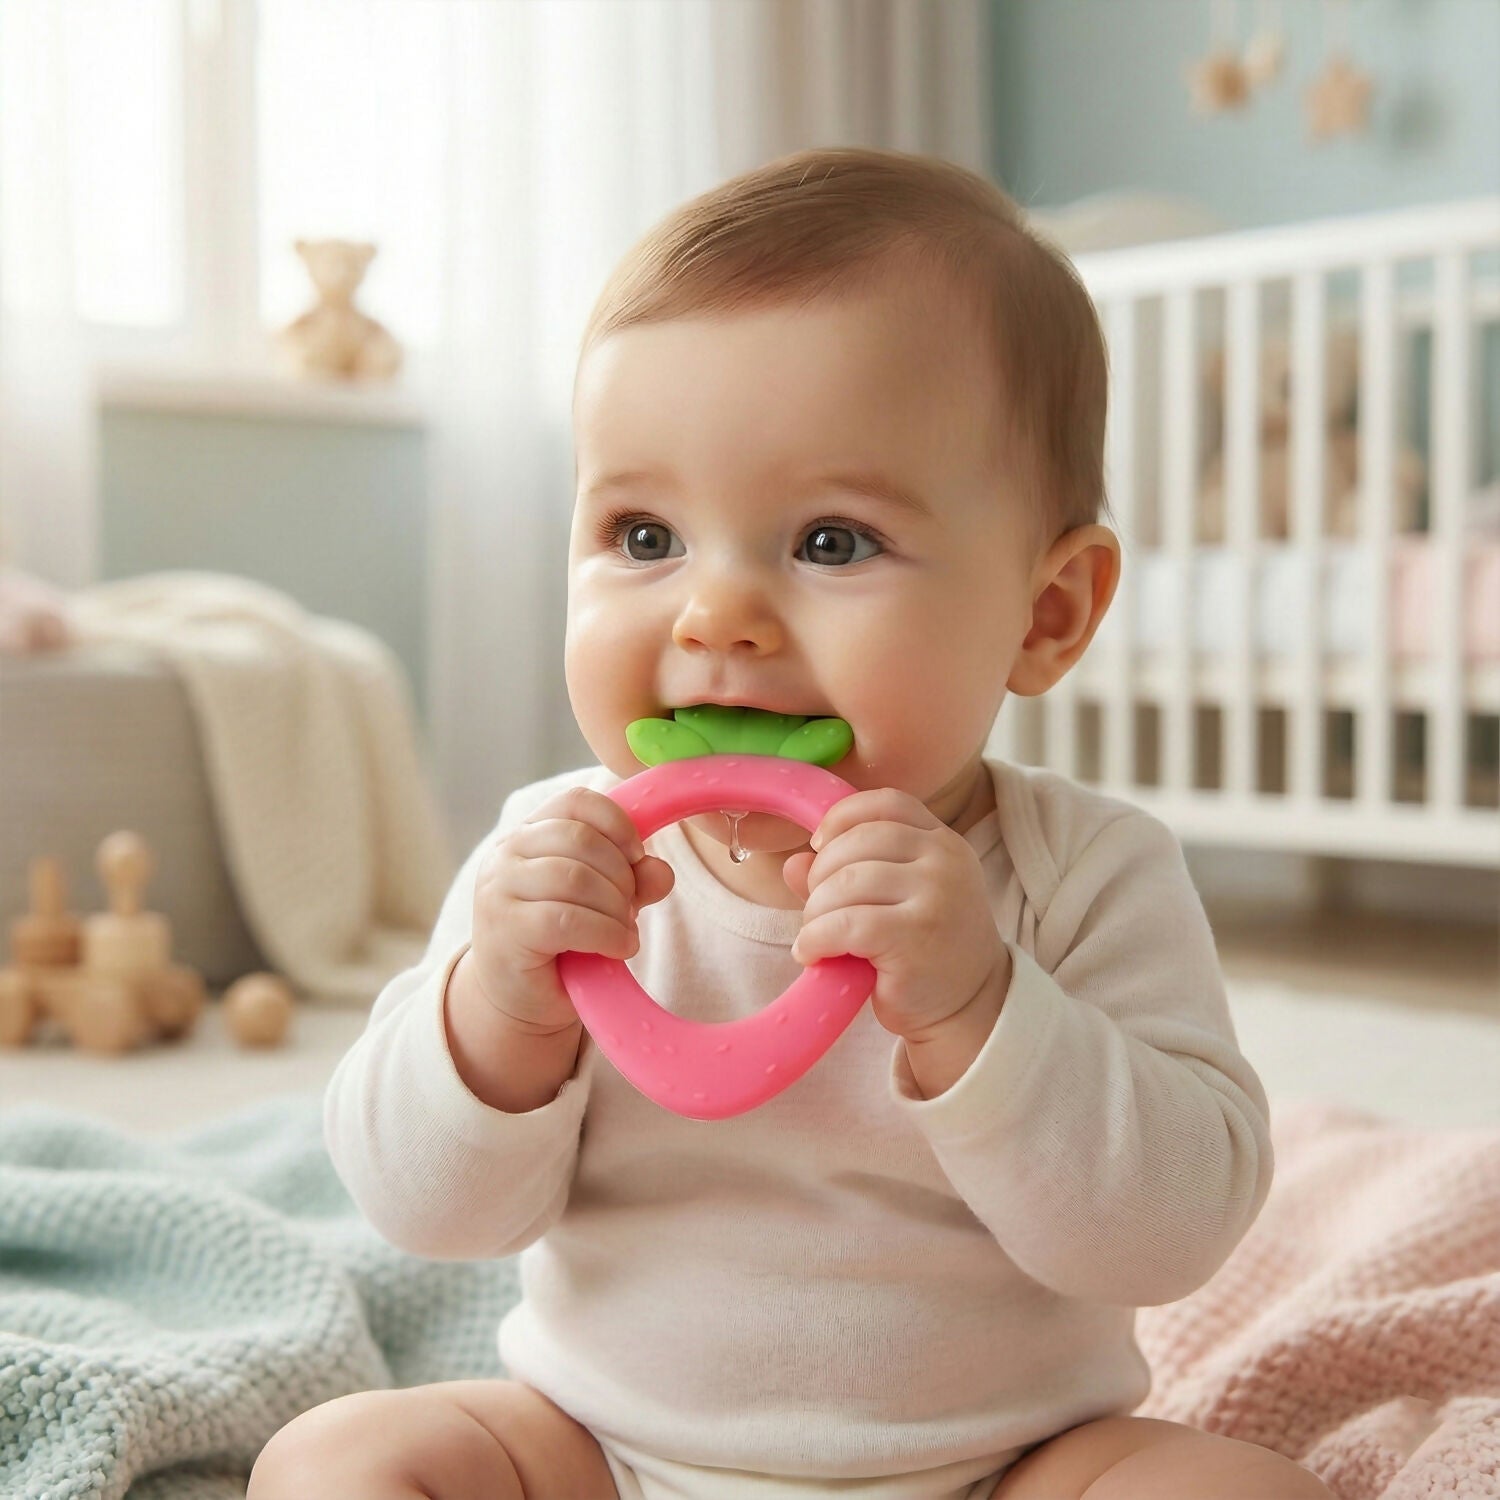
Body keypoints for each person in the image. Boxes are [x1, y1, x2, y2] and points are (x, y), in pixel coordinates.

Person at [249, 147, 1334, 1500]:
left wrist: (983, 1009)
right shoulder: (563, 855)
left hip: (1006, 1465)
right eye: (644, 537)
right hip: (602, 1452)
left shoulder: (1087, 875)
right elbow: (423, 1207)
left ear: (1046, 615)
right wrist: (498, 1014)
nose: (716, 614)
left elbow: (1169, 1235)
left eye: (831, 542)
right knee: (337, 1461)